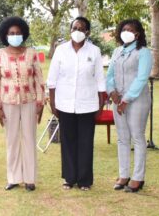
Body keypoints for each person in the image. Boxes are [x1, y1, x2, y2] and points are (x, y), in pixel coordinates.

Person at [47, 16, 106, 191]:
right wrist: (52, 102)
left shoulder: (94, 51)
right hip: (64, 103)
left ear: (87, 32)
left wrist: (101, 105)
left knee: (86, 142)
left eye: (81, 29)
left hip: (88, 104)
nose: (77, 31)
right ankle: (69, 178)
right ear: (70, 30)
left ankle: (85, 180)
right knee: (68, 142)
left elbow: (100, 80)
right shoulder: (61, 50)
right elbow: (52, 79)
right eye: (74, 28)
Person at [0, 17, 45, 191]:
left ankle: (30, 179)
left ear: (23, 34)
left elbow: (38, 78)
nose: (15, 35)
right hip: (8, 103)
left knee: (29, 138)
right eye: (11, 33)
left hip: (29, 101)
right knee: (12, 140)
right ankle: (13, 178)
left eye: (18, 33)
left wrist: (40, 102)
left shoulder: (31, 53)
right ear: (6, 35)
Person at [106, 19, 153, 193]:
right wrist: (112, 92)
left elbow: (141, 78)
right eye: (123, 29)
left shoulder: (144, 52)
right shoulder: (117, 51)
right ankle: (123, 175)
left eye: (130, 30)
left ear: (138, 34)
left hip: (137, 100)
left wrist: (125, 99)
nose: (126, 32)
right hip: (118, 100)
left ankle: (138, 177)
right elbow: (109, 74)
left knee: (137, 137)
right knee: (122, 138)